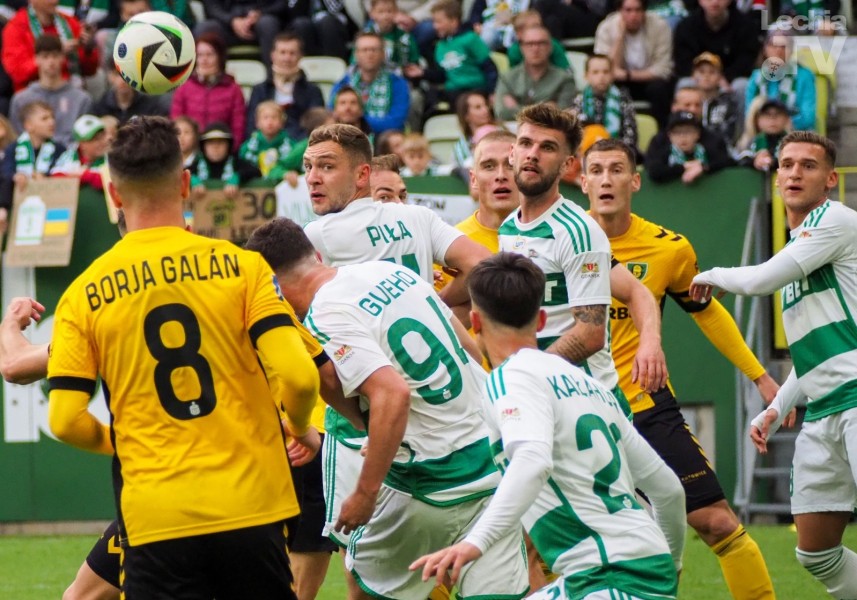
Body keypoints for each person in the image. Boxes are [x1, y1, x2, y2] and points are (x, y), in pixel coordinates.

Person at [45, 115, 321, 599]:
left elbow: (65, 420)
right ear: (187, 183)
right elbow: (299, 377)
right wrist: (299, 427)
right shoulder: (244, 267)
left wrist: (123, 444)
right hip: (252, 503)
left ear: (114, 195)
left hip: (155, 515)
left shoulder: (82, 294)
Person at [245, 217, 529, 600]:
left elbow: (392, 394)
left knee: (365, 585)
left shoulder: (324, 314)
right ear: (316, 256)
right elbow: (469, 350)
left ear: (272, 286)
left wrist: (365, 492)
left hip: (431, 479)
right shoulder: (393, 273)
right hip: (494, 460)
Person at [410, 252, 687, 600]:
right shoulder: (590, 385)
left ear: (475, 322)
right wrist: (672, 564)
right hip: (627, 571)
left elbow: (532, 459)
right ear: (541, 320)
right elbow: (668, 490)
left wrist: (473, 543)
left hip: (609, 576)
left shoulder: (509, 379)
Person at [585, 137, 778, 600]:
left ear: (635, 181)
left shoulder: (668, 248)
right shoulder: (560, 239)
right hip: (575, 412)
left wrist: (760, 376)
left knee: (716, 522)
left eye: (616, 170)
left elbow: (707, 312)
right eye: (596, 170)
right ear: (582, 181)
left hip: (645, 406)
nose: (606, 180)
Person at [691, 130, 857, 599]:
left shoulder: (835, 221)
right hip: (824, 410)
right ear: (776, 175)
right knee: (816, 553)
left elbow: (761, 280)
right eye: (787, 164)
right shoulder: (799, 246)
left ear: (830, 179)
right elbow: (817, 353)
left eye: (809, 165)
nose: (795, 173)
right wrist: (776, 406)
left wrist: (710, 275)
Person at [498, 103, 668, 414]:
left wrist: (527, 375)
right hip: (539, 397)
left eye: (547, 147)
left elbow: (590, 335)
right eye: (525, 143)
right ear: (512, 153)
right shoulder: (509, 227)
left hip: (586, 403)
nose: (532, 154)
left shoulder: (577, 231)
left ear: (567, 165)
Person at [593, 0, 674, 126]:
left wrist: (627, 75)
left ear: (644, 11)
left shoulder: (659, 26)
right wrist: (620, 37)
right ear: (620, 11)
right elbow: (606, 67)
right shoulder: (606, 27)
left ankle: (664, 130)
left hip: (649, 80)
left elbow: (663, 69)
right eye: (628, 10)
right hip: (619, 82)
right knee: (603, 85)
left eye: (638, 10)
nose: (633, 15)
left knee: (659, 89)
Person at [9, 34, 92, 147]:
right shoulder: (21, 100)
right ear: (36, 59)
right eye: (45, 56)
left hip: (71, 154)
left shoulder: (81, 98)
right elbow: (17, 136)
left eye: (55, 56)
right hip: (32, 154)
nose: (51, 61)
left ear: (62, 58)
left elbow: (86, 136)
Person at [1, 0, 100, 93]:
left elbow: (90, 71)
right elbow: (18, 73)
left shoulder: (70, 23)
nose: (55, 1)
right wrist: (55, 54)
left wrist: (88, 51)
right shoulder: (16, 27)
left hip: (70, 91)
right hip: (33, 95)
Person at [170, 32, 246, 151]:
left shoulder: (233, 89)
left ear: (220, 57)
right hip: (190, 151)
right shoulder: (184, 87)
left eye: (210, 55)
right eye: (200, 55)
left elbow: (238, 127)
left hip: (221, 151)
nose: (204, 60)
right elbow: (176, 122)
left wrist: (231, 151)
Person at [245, 32, 325, 141]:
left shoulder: (313, 90)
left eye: (292, 53)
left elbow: (317, 125)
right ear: (273, 55)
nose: (287, 58)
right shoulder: (260, 90)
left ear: (301, 56)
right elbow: (252, 126)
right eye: (282, 53)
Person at [330, 32, 410, 136]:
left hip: (383, 137)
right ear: (356, 54)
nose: (369, 54)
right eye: (364, 50)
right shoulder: (344, 82)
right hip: (347, 135)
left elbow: (396, 122)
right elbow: (332, 112)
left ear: (383, 54)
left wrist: (359, 120)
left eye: (374, 50)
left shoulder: (397, 83)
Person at [493, 25, 577, 122]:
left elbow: (564, 115)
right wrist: (545, 110)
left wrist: (515, 107)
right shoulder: (507, 78)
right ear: (521, 47)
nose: (535, 49)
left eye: (541, 43)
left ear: (550, 46)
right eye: (530, 44)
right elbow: (502, 112)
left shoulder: (564, 79)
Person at [745, 30, 816, 133]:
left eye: (783, 46)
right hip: (762, 132)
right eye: (773, 46)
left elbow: (808, 117)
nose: (778, 50)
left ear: (791, 50)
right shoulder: (756, 77)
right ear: (765, 49)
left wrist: (779, 124)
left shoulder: (804, 76)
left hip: (794, 133)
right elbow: (750, 114)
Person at [572, 54, 639, 153]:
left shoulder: (623, 99)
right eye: (595, 72)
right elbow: (575, 136)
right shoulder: (579, 100)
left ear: (612, 75)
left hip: (618, 152)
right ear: (586, 76)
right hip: (586, 153)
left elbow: (630, 136)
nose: (601, 76)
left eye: (606, 72)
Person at [195, 0, 287, 67]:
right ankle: (200, 83)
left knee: (268, 23)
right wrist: (231, 20)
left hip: (261, 21)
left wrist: (260, 13)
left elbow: (281, 4)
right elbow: (211, 6)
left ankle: (274, 81)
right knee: (204, 29)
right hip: (226, 25)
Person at [191, 121, 261, 199]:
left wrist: (238, 177)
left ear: (228, 146)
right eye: (210, 143)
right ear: (203, 147)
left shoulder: (236, 162)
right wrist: (190, 179)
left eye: (220, 142)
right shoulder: (197, 164)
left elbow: (256, 171)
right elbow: (182, 173)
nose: (215, 147)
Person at [646, 110, 718, 184]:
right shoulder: (664, 153)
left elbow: (723, 161)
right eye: (677, 132)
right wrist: (684, 167)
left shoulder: (705, 150)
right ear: (670, 136)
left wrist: (703, 167)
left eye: (688, 131)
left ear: (697, 134)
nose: (683, 137)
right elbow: (654, 171)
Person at [92, 57, 168, 126]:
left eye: (128, 74)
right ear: (109, 76)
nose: (122, 80)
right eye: (117, 74)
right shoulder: (100, 108)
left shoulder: (151, 106)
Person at [691, 51, 740, 146]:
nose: (706, 76)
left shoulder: (728, 102)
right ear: (693, 76)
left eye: (712, 72)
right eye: (701, 71)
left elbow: (729, 135)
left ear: (720, 77)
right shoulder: (689, 102)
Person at [240, 101, 297, 179]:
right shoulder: (247, 147)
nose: (270, 122)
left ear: (282, 123)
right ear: (257, 123)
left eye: (274, 117)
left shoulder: (291, 145)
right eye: (265, 118)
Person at [51, 113, 108, 189]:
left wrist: (86, 175)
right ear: (82, 144)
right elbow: (55, 179)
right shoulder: (70, 155)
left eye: (102, 137)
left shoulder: (111, 157)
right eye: (96, 139)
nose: (102, 142)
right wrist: (75, 178)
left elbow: (111, 181)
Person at [735, 97, 791, 171]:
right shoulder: (751, 142)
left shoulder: (792, 142)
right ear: (758, 119)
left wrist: (772, 161)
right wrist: (755, 160)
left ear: (786, 118)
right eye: (767, 114)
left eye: (778, 114)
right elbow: (739, 160)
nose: (772, 119)